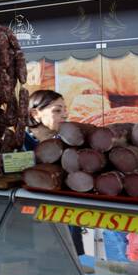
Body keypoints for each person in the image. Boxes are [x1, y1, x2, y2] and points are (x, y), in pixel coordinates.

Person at [23, 88, 84, 257]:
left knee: (69, 263)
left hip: (65, 219)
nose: (64, 115)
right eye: (57, 110)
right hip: (31, 221)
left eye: (65, 110)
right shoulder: (20, 143)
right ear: (35, 114)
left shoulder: (66, 144)